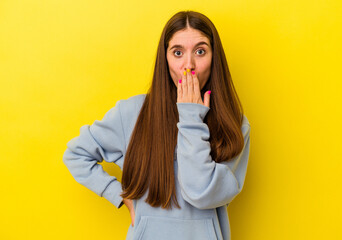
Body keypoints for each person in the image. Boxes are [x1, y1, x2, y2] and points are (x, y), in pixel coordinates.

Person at [63, 10, 251, 240]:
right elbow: (76, 154)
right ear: (165, 59)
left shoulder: (234, 124)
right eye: (178, 52)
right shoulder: (132, 113)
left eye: (200, 51)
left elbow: (201, 193)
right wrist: (119, 195)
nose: (188, 65)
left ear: (215, 59)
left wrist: (191, 117)